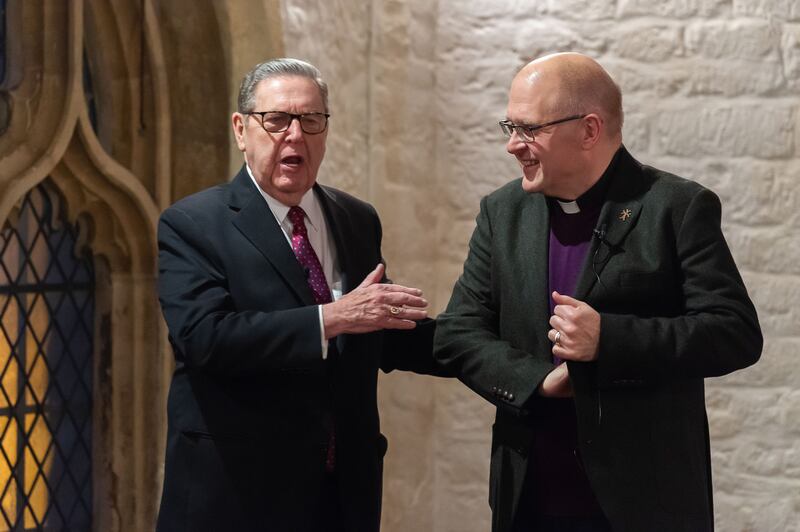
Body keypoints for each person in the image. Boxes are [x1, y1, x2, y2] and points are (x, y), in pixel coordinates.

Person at [434, 52, 762, 532]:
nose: (512, 145)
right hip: (530, 495)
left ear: (589, 129)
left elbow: (734, 332)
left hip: (644, 501)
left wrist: (609, 340)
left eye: (528, 129)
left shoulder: (675, 206)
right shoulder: (501, 212)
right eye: (510, 126)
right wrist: (537, 382)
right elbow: (458, 332)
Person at [156, 58, 443, 532]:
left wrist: (506, 355)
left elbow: (379, 330)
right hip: (238, 497)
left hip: (342, 496)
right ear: (241, 129)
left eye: (311, 120)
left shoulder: (355, 218)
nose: (295, 136)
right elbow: (204, 338)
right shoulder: (193, 223)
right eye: (276, 120)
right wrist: (329, 319)